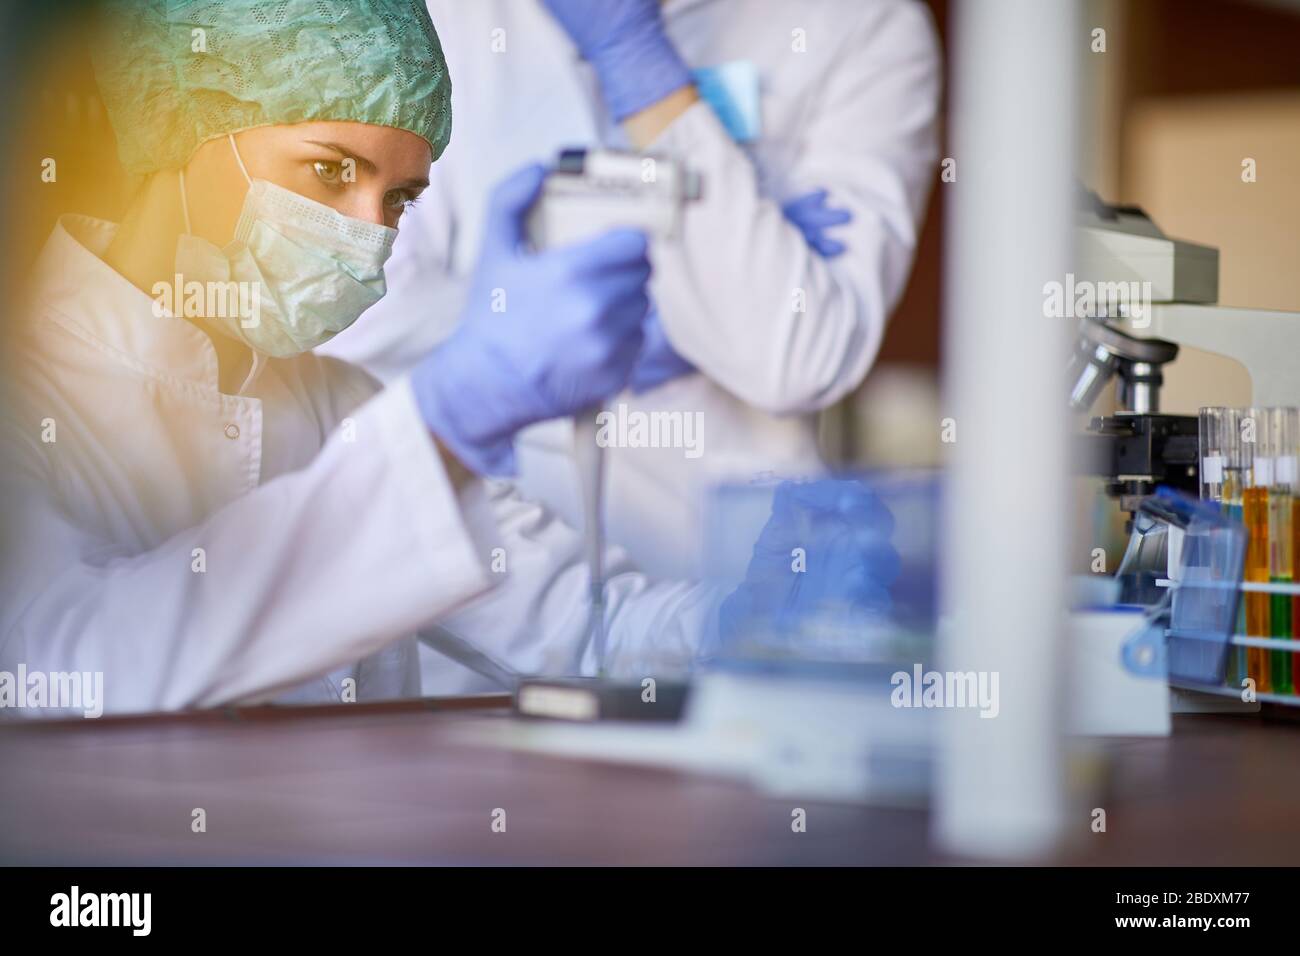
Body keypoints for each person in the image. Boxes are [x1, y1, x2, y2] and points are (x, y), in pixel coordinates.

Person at [0, 0, 900, 714]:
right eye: (329, 171)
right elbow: (58, 667)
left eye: (399, 200)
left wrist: (743, 621)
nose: (369, 238)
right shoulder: (25, 395)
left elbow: (582, 626)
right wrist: (453, 412)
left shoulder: (335, 403)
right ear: (186, 123)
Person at [324, 0, 943, 581]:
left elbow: (797, 354)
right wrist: (567, 325)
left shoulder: (863, 24)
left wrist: (643, 67)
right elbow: (353, 304)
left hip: (714, 575)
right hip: (480, 572)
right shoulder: (431, 16)